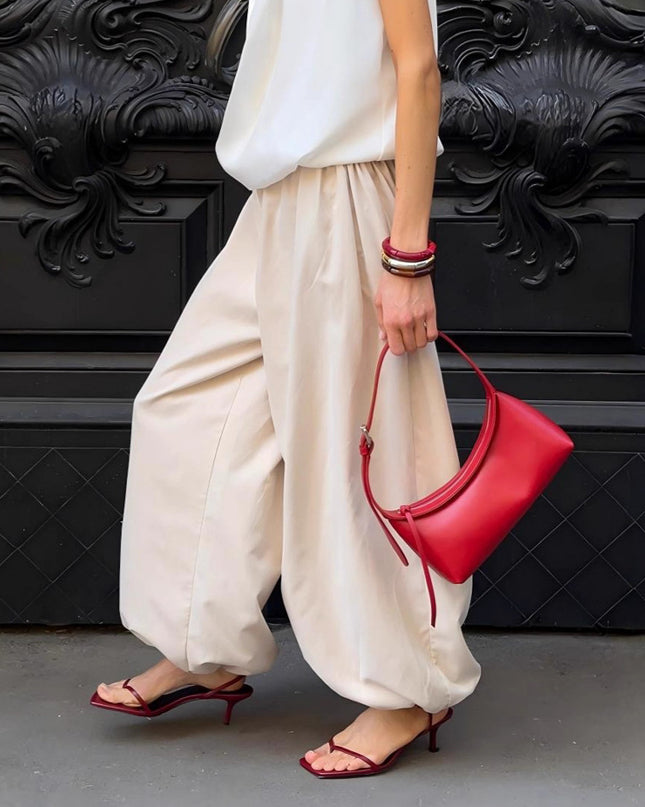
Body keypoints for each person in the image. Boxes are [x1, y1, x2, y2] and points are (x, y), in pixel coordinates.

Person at [90, 0, 481, 778]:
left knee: (355, 457)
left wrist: (407, 256)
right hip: (277, 200)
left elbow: (417, 70)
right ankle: (203, 644)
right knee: (188, 409)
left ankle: (409, 688)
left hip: (348, 195)